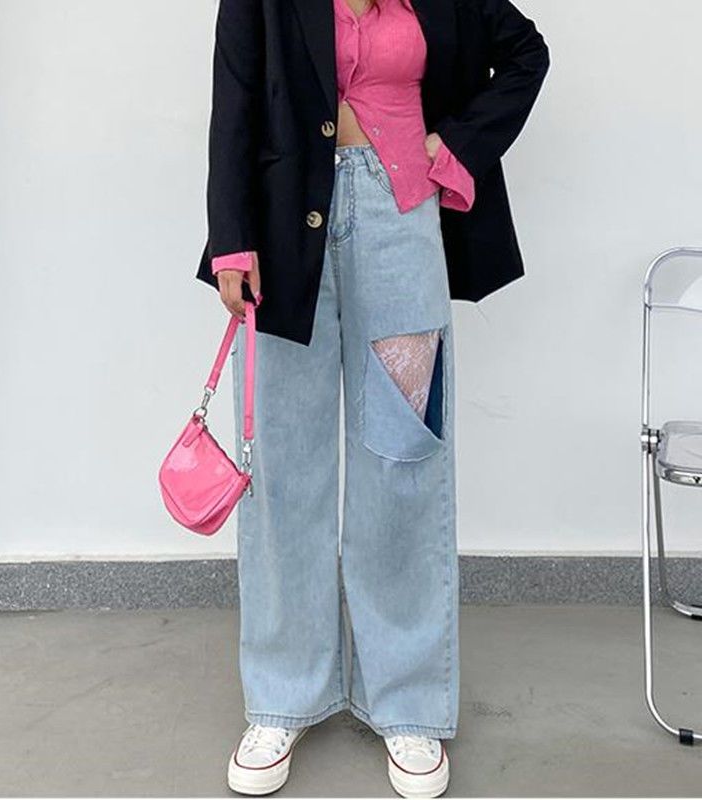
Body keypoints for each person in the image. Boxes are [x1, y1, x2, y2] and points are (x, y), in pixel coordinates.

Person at [195, 0, 549, 795]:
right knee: (285, 463)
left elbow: (526, 54)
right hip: (284, 237)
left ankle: (409, 703)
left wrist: (453, 147)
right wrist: (231, 239)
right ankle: (283, 695)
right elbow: (236, 95)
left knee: (404, 457)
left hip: (402, 229)